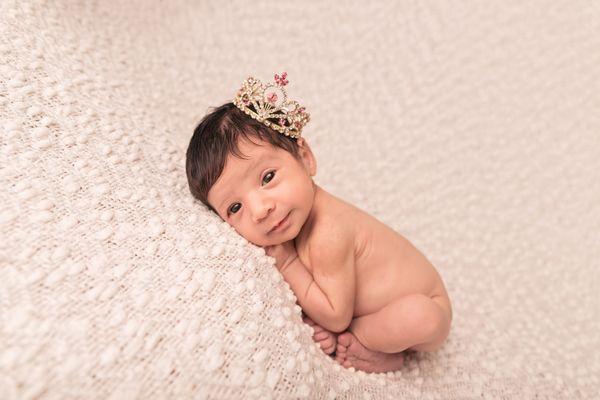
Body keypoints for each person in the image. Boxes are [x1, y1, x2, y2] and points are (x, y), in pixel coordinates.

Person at [185, 72, 452, 373]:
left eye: (268, 177)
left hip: (426, 305)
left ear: (305, 157)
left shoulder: (329, 231)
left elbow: (336, 314)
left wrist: (287, 265)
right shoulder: (294, 218)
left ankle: (363, 342)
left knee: (422, 317)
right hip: (365, 304)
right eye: (235, 207)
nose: (260, 210)